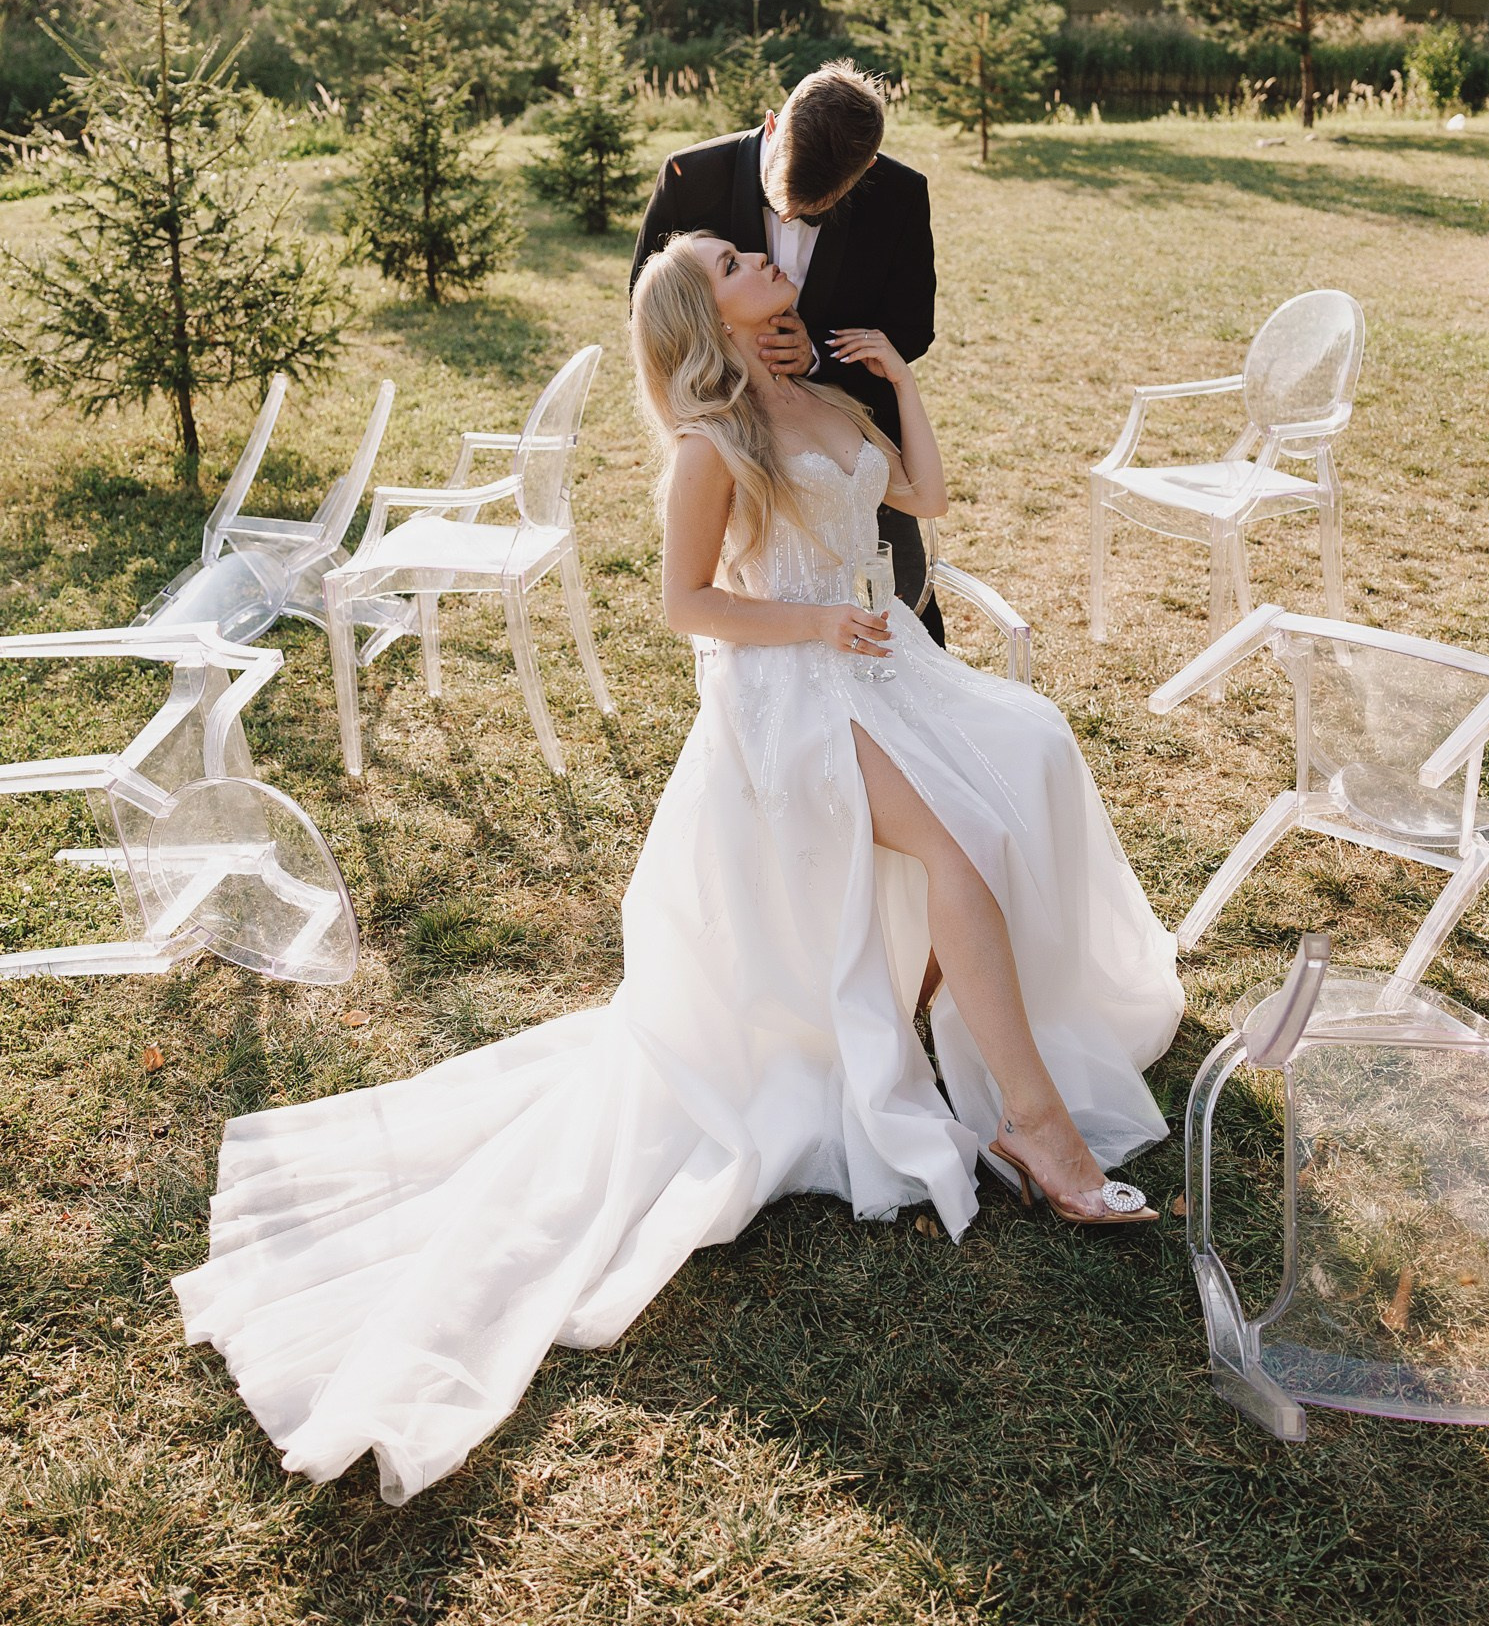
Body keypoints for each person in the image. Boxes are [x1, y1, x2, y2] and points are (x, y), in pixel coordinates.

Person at [173, 233, 1183, 1508]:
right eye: (731, 259)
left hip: (884, 668)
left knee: (1028, 753)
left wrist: (900, 382)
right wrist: (816, 621)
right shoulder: (711, 446)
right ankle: (1038, 1133)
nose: (756, 252)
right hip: (791, 696)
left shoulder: (826, 397)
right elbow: (686, 604)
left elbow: (924, 501)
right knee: (958, 851)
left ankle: (942, 1027)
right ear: (707, 312)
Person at [630, 57, 943, 639]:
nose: (788, 219)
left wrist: (817, 356)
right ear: (773, 126)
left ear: (866, 169)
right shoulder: (689, 177)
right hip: (741, 445)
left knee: (905, 611)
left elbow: (910, 325)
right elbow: (655, 317)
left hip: (850, 429)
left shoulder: (900, 194)